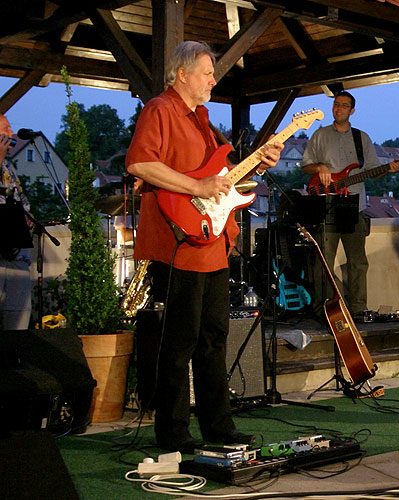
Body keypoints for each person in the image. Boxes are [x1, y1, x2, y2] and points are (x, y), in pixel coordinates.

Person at [126, 41, 282, 453]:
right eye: (208, 72)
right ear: (182, 74)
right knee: (179, 342)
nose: (214, 79)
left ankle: (218, 426)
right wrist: (196, 185)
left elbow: (224, 184)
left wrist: (259, 164)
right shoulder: (160, 109)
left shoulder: (206, 122)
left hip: (213, 243)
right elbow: (140, 163)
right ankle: (173, 433)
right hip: (177, 243)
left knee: (214, 338)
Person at [301, 91, 399, 316]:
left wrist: (388, 168)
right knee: (322, 262)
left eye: (344, 106)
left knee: (357, 262)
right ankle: (325, 308)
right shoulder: (319, 135)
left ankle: (357, 309)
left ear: (352, 111)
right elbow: (306, 166)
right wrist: (320, 168)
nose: (339, 109)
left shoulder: (361, 138)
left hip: (353, 206)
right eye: (336, 105)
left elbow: (372, 170)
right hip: (325, 204)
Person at [0, 114, 33, 331]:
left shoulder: (10, 167)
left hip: (16, 253)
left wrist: (27, 217)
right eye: (6, 128)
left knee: (18, 317)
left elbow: (22, 202)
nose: (11, 133)